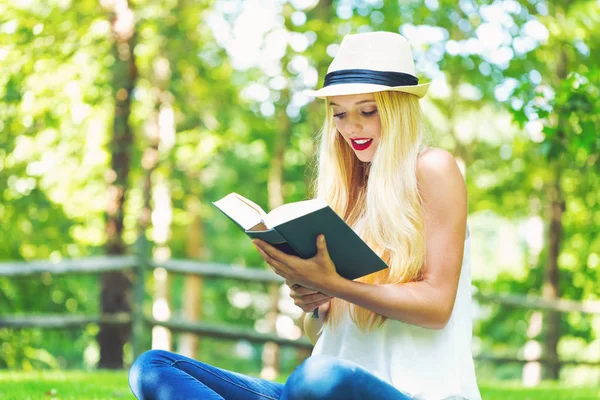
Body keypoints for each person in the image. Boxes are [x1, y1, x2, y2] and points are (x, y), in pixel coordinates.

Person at [129, 31, 481, 400]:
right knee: (153, 368)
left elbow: (438, 306)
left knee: (314, 379)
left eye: (367, 111)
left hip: (399, 392)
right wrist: (315, 303)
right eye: (340, 114)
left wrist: (335, 285)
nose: (351, 128)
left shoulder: (433, 168)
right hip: (316, 389)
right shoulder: (347, 193)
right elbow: (327, 336)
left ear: (397, 108)